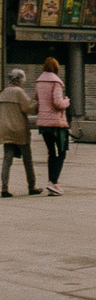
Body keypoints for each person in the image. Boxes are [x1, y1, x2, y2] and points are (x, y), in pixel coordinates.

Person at [33, 57, 71, 196]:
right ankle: (53, 182)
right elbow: (58, 103)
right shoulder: (56, 82)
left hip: (43, 124)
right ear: (56, 68)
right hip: (56, 124)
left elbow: (37, 99)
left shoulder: (39, 81)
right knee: (61, 153)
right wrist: (66, 101)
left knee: (51, 152)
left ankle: (52, 182)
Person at [0, 68, 35, 197]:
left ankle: (4, 188)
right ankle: (32, 186)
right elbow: (29, 108)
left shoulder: (3, 92)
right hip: (19, 130)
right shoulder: (19, 92)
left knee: (7, 160)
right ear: (19, 79)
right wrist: (37, 103)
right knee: (28, 159)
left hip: (6, 130)